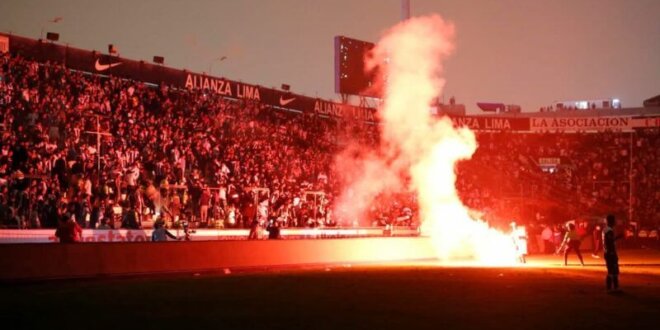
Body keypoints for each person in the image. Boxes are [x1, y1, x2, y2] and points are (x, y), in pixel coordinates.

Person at [603, 214, 622, 291]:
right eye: (615, 220)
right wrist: (619, 237)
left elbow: (609, 240)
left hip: (608, 252)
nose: (616, 222)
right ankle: (611, 288)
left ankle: (614, 288)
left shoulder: (606, 229)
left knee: (612, 270)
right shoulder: (609, 230)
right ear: (612, 221)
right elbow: (610, 242)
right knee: (612, 270)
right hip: (610, 252)